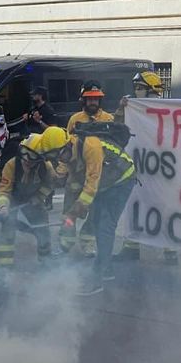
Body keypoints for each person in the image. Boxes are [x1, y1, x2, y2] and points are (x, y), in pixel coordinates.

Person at [36, 124, 135, 296]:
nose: (60, 160)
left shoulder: (91, 147)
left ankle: (97, 279)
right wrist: (72, 211)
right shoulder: (70, 153)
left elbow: (91, 186)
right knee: (96, 222)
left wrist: (74, 213)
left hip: (121, 180)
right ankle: (107, 268)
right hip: (105, 183)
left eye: (59, 155)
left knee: (105, 226)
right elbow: (75, 182)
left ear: (67, 145)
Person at [114, 71, 177, 264]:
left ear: (151, 90)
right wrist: (121, 110)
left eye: (140, 88)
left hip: (162, 171)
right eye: (136, 88)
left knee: (163, 208)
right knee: (135, 205)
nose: (136, 92)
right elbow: (117, 129)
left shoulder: (168, 110)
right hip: (139, 168)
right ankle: (131, 247)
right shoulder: (133, 109)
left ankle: (170, 250)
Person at [0, 133, 58, 287]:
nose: (27, 159)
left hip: (33, 200)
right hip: (13, 199)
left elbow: (50, 184)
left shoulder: (46, 168)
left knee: (42, 228)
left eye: (32, 156)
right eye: (25, 153)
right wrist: (3, 206)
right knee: (7, 232)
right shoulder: (12, 165)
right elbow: (3, 190)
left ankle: (45, 260)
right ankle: (3, 271)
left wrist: (39, 197)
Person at [61, 81, 115, 256]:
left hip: (99, 174)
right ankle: (66, 242)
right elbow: (67, 147)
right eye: (90, 99)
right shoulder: (75, 120)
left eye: (96, 99)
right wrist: (61, 171)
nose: (93, 102)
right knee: (69, 210)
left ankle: (88, 243)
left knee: (94, 213)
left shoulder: (109, 119)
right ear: (83, 100)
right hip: (76, 173)